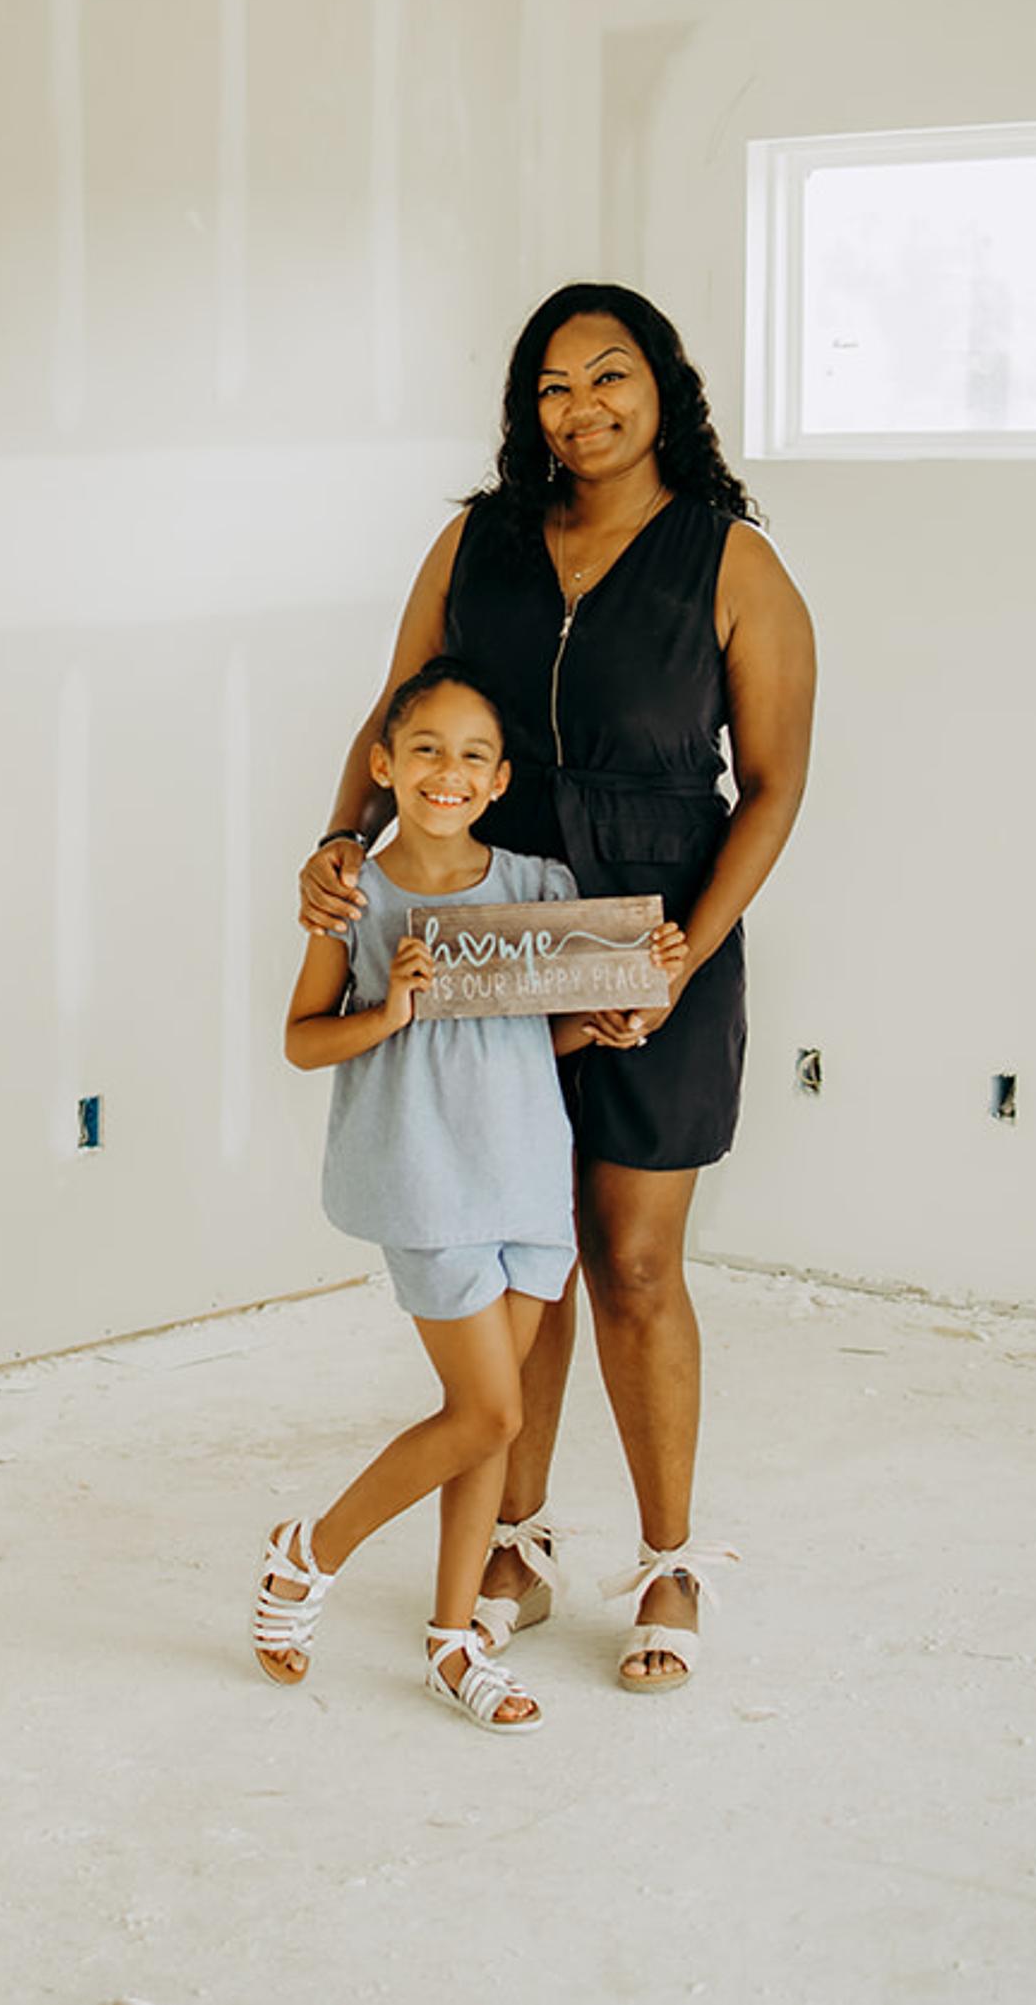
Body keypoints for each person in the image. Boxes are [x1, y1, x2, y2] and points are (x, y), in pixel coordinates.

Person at [299, 284, 816, 1694]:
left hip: (658, 928)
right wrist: (343, 842)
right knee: (522, 1256)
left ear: (666, 388)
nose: (580, 409)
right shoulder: (477, 540)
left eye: (610, 377)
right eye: (551, 387)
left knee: (636, 1261)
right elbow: (395, 708)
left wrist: (685, 953)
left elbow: (772, 785)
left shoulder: (732, 563)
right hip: (494, 935)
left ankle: (668, 1564)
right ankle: (512, 1542)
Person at [250, 659, 687, 1733]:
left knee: (488, 1428)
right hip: (426, 1182)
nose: (450, 771)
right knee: (489, 1406)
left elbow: (549, 1027)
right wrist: (390, 1008)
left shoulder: (536, 887)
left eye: (474, 755)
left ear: (499, 781)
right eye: (429, 749)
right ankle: (311, 1551)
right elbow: (303, 1040)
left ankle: (454, 1641)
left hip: (530, 1179)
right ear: (384, 764)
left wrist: (627, 1003)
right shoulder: (352, 896)